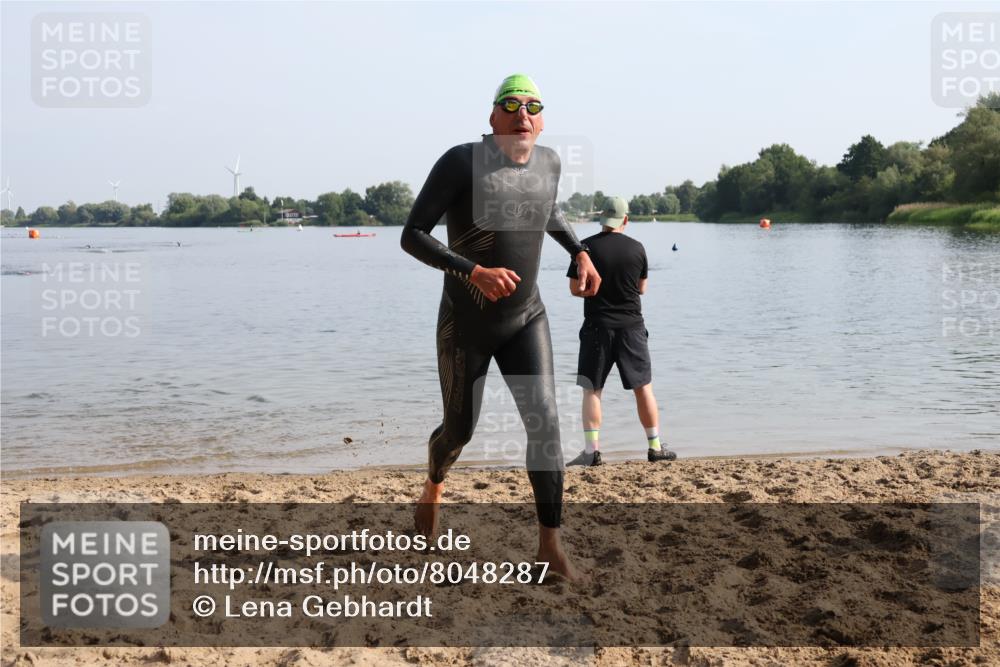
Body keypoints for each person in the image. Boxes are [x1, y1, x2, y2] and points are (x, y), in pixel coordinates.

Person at [400, 74, 601, 581]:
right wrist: (474, 272)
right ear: (492, 117)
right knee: (459, 431)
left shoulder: (550, 163)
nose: (523, 114)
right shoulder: (462, 161)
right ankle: (433, 486)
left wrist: (579, 250)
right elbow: (412, 235)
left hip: (525, 317)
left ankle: (550, 550)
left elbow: (546, 209)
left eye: (533, 105)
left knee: (547, 425)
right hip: (465, 322)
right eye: (511, 105)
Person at [566, 196, 676, 467]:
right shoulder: (637, 248)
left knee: (592, 390)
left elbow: (574, 289)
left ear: (602, 218)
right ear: (625, 220)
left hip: (596, 327)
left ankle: (592, 452)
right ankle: (655, 447)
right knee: (643, 387)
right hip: (631, 328)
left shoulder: (585, 248)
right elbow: (641, 288)